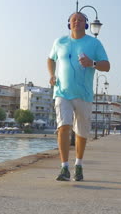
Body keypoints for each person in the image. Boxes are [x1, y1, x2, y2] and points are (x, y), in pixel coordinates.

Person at [47, 11, 110, 181]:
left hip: (84, 94)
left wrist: (92, 63)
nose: (77, 22)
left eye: (80, 20)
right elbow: (50, 59)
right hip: (62, 92)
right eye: (73, 20)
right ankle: (64, 168)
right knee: (63, 126)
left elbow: (107, 66)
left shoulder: (94, 43)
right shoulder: (59, 42)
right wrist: (52, 75)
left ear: (86, 24)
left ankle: (79, 164)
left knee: (81, 132)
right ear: (69, 23)